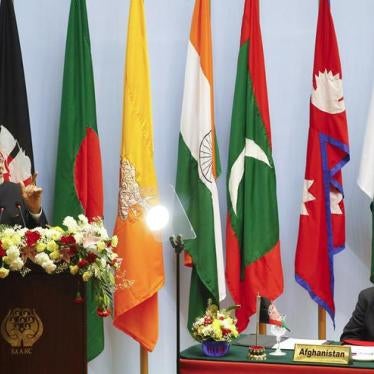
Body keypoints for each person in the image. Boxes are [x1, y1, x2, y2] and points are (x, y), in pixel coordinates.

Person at [0, 156, 47, 228]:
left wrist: (34, 211)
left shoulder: (19, 192)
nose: (0, 166)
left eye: (0, 160)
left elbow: (40, 234)